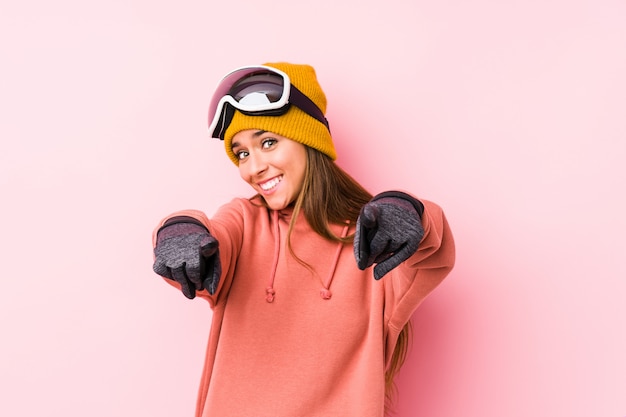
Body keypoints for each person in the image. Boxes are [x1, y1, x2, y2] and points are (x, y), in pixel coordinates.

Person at [152, 62, 455, 417]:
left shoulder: (374, 241)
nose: (253, 168)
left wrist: (406, 209)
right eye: (243, 153)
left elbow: (432, 249)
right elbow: (210, 236)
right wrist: (178, 230)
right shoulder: (246, 223)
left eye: (268, 142)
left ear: (309, 140)